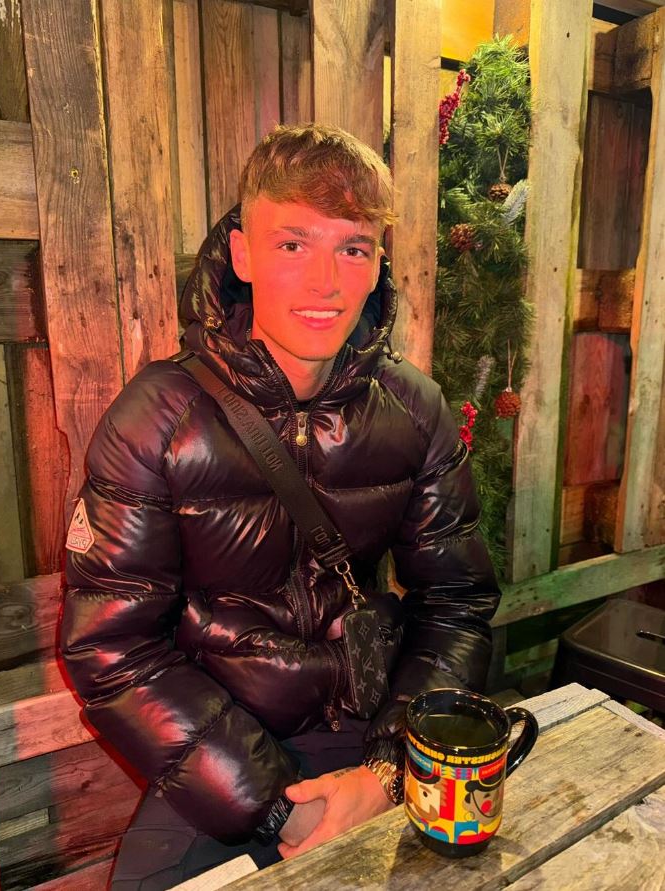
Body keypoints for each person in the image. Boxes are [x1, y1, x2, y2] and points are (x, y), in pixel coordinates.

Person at [61, 123, 500, 890]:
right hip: (221, 751)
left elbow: (457, 604)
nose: (325, 282)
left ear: (378, 263)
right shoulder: (157, 419)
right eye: (293, 243)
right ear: (242, 253)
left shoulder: (415, 408)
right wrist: (276, 807)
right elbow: (111, 647)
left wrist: (391, 768)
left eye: (353, 248)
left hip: (381, 732)